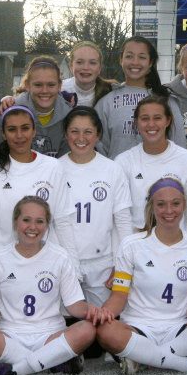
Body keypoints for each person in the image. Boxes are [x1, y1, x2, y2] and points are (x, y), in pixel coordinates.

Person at [0, 196, 110, 375]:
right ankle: (52, 362)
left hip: (50, 337)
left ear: (47, 225)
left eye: (39, 221)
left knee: (88, 329)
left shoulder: (60, 257)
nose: (32, 227)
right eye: (26, 220)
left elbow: (75, 306)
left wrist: (94, 311)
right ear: (15, 222)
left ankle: (13, 368)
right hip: (9, 336)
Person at [95, 178, 187, 375]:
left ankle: (143, 358)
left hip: (179, 330)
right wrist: (105, 313)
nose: (169, 211)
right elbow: (118, 297)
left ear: (184, 205)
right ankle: (184, 364)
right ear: (151, 207)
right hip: (137, 328)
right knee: (105, 331)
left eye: (175, 203)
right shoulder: (131, 245)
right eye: (161, 204)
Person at [0, 105, 78, 268]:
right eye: (12, 129)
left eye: (25, 128)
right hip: (3, 263)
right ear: (3, 134)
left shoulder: (53, 167)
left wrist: (74, 267)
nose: (19, 135)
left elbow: (63, 221)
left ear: (34, 131)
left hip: (46, 263)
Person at [58, 107, 134, 307]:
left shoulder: (112, 169)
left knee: (103, 324)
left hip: (103, 263)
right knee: (64, 322)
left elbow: (123, 221)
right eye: (74, 131)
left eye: (88, 132)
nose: (81, 138)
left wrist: (122, 264)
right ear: (66, 134)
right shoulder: (54, 169)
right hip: (63, 262)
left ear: (98, 134)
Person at [114, 94, 187, 244]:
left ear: (168, 121)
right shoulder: (123, 162)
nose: (151, 124)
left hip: (178, 249)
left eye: (157, 118)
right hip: (139, 249)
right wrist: (126, 252)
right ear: (136, 123)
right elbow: (123, 217)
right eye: (145, 119)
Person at [95, 36, 184, 159]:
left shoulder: (165, 100)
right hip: (118, 175)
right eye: (129, 56)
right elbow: (100, 149)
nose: (135, 62)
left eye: (142, 57)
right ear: (121, 59)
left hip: (159, 176)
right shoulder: (106, 102)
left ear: (150, 62)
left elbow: (179, 148)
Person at [5, 56, 74, 157]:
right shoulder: (10, 114)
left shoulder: (70, 117)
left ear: (59, 86)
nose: (44, 91)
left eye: (51, 85)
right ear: (27, 85)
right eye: (38, 85)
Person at [61, 41, 115, 108]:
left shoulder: (111, 92)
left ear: (99, 68)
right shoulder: (59, 89)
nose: (86, 67)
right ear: (71, 66)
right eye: (79, 62)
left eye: (92, 63)